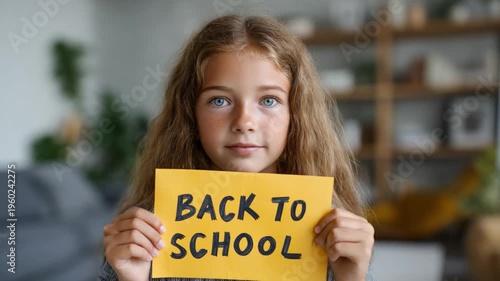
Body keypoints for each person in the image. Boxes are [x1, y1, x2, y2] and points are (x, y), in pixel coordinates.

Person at [99, 15, 375, 281]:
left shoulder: (329, 231)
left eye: (268, 101)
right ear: (190, 114)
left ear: (297, 114)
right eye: (219, 101)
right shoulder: (148, 232)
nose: (244, 122)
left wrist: (351, 278)